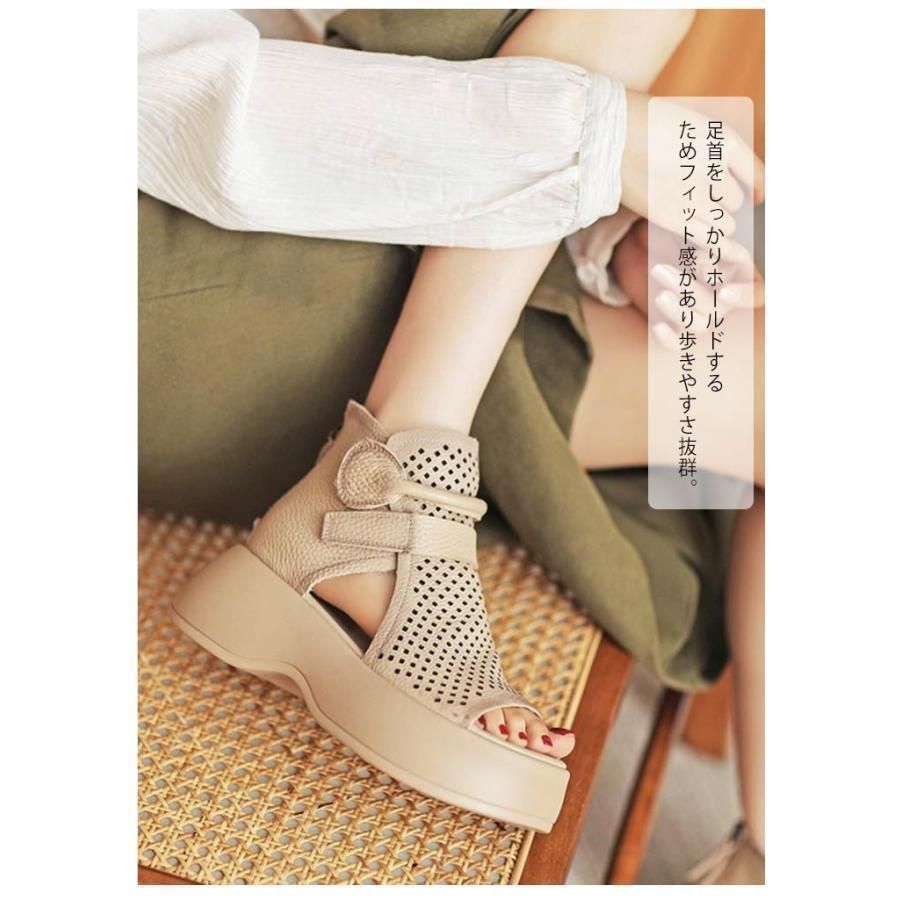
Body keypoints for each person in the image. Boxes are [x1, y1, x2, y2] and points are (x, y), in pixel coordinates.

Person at [139, 8, 764, 882]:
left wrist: (614, 227)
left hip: (347, 201)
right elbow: (159, 96)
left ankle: (397, 469)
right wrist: (588, 140)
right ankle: (393, 475)